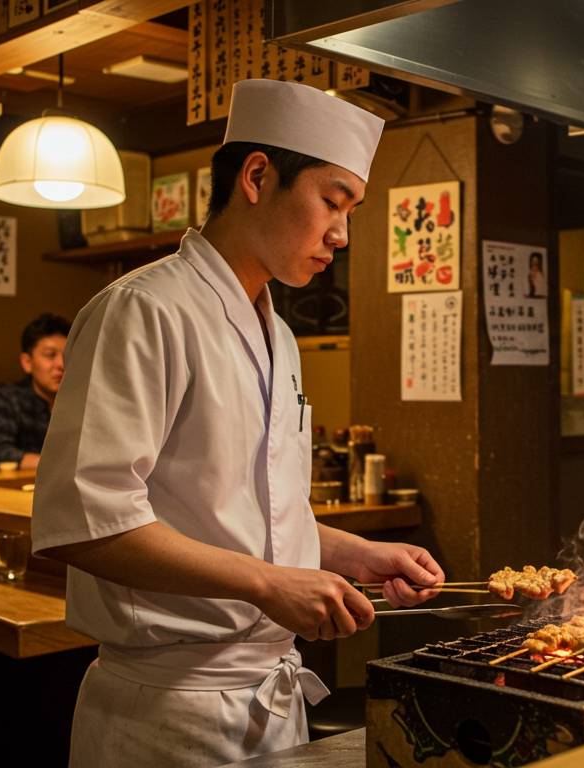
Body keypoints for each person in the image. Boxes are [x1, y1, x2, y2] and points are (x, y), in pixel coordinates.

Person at [32, 79, 446, 767]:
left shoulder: (277, 334)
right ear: (257, 176)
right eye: (333, 202)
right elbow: (86, 524)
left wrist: (353, 554)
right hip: (167, 713)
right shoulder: (144, 310)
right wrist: (267, 583)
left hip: (267, 700)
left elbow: (239, 509)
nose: (341, 235)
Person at [0, 313, 69, 470]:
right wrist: (57, 465)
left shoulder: (83, 402)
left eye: (68, 355)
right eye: (50, 355)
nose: (61, 364)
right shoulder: (5, 398)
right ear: (27, 362)